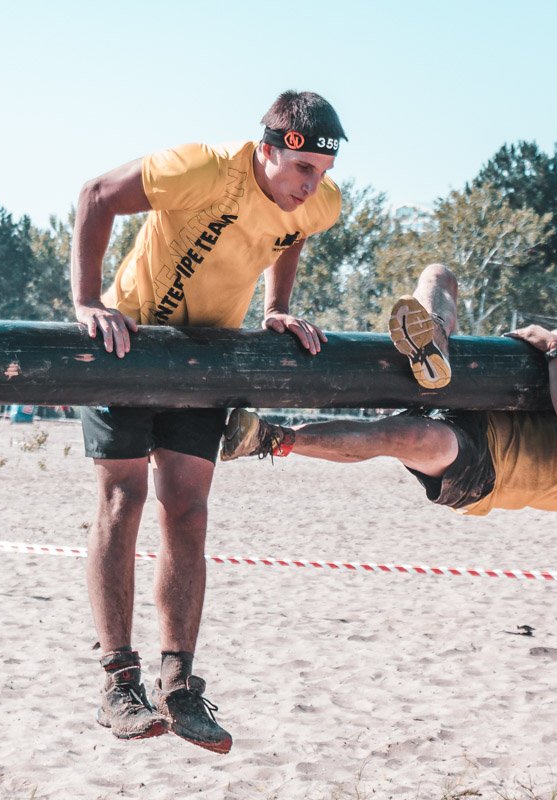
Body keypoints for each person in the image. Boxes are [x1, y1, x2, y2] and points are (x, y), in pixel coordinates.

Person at [71, 90, 346, 753]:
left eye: (323, 175)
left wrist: (277, 305)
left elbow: (293, 234)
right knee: (122, 499)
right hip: (129, 345)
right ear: (268, 148)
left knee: (188, 512)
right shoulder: (200, 169)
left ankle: (179, 687)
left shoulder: (318, 203)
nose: (313, 188)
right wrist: (85, 303)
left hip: (205, 356)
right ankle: (118, 682)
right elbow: (96, 195)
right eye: (303, 170)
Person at [223, 265, 557, 519]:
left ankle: (272, 438)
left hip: (484, 474)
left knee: (414, 438)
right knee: (438, 275)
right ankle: (431, 343)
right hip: (475, 402)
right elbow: (541, 355)